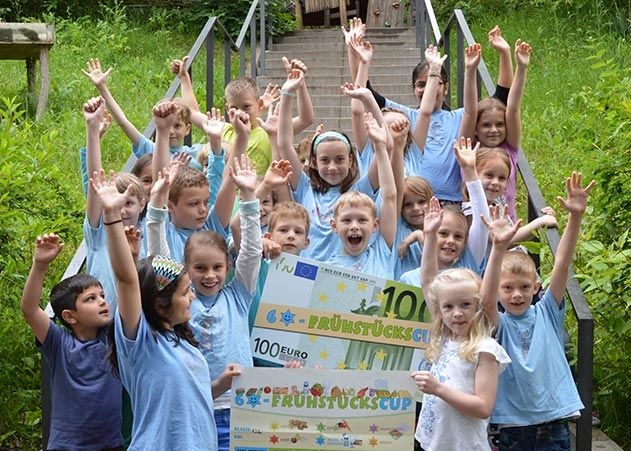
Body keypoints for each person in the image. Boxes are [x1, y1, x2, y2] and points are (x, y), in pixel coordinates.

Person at [91, 168, 241, 450]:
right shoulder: (142, 343)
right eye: (186, 293)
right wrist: (111, 217)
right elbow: (126, 280)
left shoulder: (184, 343)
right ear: (161, 303)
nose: (193, 299)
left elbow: (188, 400)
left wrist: (220, 384)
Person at [489, 172, 595, 450]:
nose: (516, 294)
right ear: (499, 291)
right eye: (508, 288)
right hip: (513, 429)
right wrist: (498, 247)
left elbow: (561, 264)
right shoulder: (498, 324)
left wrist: (575, 218)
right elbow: (485, 298)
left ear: (536, 287)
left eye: (524, 287)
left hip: (554, 424)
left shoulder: (547, 311)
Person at [410, 201, 518, 451]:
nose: (457, 313)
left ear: (478, 307)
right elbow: (429, 280)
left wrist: (498, 247)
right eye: (448, 307)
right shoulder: (446, 338)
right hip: (432, 444)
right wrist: (429, 236)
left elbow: (483, 407)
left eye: (466, 305)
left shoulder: (485, 348)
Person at [21, 233, 122, 450]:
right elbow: (29, 309)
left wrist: (130, 257)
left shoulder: (113, 338)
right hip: (67, 446)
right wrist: (39, 265)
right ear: (70, 316)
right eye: (91, 299)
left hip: (109, 445)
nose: (103, 301)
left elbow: (129, 294)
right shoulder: (58, 343)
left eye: (102, 295)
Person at [278, 68, 378, 262]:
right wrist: (286, 94)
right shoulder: (305, 188)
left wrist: (369, 101)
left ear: (350, 160)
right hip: (306, 274)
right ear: (314, 162)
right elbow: (283, 143)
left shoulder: (361, 191)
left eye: (340, 159)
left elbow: (386, 149)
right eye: (325, 160)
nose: (332, 167)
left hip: (343, 278)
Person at [173, 55, 314, 173]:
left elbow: (306, 119)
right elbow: (190, 112)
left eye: (246, 106)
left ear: (259, 105)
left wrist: (300, 84)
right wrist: (184, 78)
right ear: (227, 110)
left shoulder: (270, 130)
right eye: (234, 108)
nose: (240, 112)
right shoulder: (220, 130)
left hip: (260, 200)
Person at [151, 100, 245, 262]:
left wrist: (241, 136)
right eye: (193, 204)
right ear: (171, 207)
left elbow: (228, 181)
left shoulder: (210, 228)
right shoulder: (164, 230)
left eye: (206, 202)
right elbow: (160, 184)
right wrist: (162, 130)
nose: (203, 209)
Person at [82, 58, 207, 171]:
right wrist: (102, 87)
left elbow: (195, 114)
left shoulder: (197, 153)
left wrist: (185, 77)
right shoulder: (152, 150)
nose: (171, 131)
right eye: (167, 125)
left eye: (177, 126)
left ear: (188, 129)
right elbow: (123, 123)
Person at [398, 138, 491, 286]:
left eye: (458, 236)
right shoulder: (408, 279)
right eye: (443, 233)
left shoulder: (468, 265)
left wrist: (470, 171)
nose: (450, 241)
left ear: (466, 241)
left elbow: (482, 222)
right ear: (429, 233)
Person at [82, 96, 147, 307]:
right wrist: (92, 129)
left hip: (138, 326)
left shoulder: (148, 233)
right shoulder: (99, 233)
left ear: (142, 204)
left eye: (127, 203)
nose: (121, 210)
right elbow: (94, 179)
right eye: (116, 204)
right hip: (101, 324)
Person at [459, 38, 532, 220]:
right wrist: (470, 70)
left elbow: (513, 107)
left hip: (505, 225)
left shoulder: (510, 148)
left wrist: (522, 68)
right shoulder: (468, 150)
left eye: (499, 124)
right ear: (475, 128)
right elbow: (469, 111)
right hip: (473, 227)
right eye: (486, 125)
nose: (494, 130)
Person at [326, 112, 397, 279]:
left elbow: (389, 197)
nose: (354, 226)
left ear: (375, 225)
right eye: (346, 220)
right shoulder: (326, 268)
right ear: (334, 225)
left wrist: (380, 146)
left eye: (362, 220)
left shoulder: (382, 250)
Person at [463, 146, 557, 246]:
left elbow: (511, 233)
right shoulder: (472, 209)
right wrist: (540, 223)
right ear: (474, 175)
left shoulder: (498, 201)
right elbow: (503, 242)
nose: (495, 182)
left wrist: (544, 215)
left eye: (502, 178)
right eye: (489, 175)